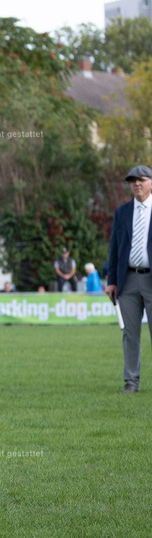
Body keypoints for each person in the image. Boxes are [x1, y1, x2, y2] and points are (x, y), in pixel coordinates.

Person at [106, 165, 152, 393]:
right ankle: (132, 381)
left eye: (141, 179)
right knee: (130, 334)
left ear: (151, 182)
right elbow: (115, 248)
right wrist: (111, 280)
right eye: (133, 180)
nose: (137, 183)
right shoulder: (122, 212)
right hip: (128, 280)